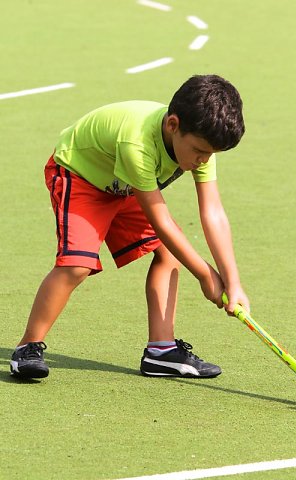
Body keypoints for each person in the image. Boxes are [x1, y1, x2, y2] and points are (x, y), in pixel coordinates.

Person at [10, 74, 250, 380]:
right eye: (199, 152)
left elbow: (212, 211)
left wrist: (233, 280)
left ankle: (161, 352)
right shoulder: (137, 142)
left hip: (125, 185)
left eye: (210, 155)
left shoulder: (202, 142)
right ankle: (27, 347)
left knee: (168, 255)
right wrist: (205, 274)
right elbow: (160, 222)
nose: (203, 161)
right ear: (172, 125)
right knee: (77, 265)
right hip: (81, 176)